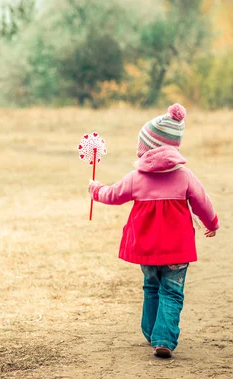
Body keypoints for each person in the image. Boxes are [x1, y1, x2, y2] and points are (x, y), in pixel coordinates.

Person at [88, 103, 219, 358]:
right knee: (171, 291)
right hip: (177, 250)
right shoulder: (184, 176)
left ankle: (150, 332)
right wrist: (212, 224)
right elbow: (203, 201)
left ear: (146, 148)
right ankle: (163, 339)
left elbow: (113, 194)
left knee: (150, 285)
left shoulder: (136, 178)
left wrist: (95, 189)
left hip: (146, 248)